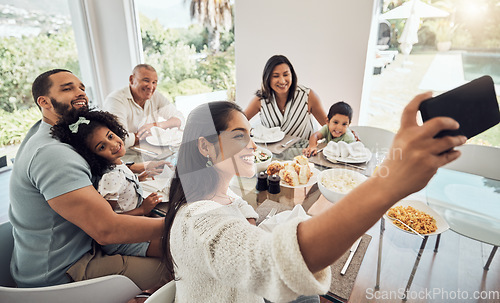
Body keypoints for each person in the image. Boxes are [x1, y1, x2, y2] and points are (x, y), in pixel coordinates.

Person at [161, 93, 466, 302]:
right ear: (205, 147)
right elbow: (274, 261)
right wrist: (391, 183)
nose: (252, 145)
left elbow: (241, 215)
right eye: (239, 136)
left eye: (250, 134)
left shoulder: (222, 195)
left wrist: (255, 220)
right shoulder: (198, 223)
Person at [9, 69, 168, 292]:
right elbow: (107, 231)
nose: (80, 93)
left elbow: (90, 171)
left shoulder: (51, 131)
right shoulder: (52, 153)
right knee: (177, 267)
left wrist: (137, 169)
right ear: (44, 101)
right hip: (62, 271)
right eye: (68, 88)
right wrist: (178, 224)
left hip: (77, 247)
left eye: (82, 87)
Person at [51, 109, 167, 257]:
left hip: (137, 223)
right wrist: (142, 210)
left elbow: (123, 186)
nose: (113, 144)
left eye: (110, 136)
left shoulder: (118, 164)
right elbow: (112, 218)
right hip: (123, 240)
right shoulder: (110, 177)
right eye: (102, 147)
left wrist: (139, 178)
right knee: (174, 247)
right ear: (93, 156)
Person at [244, 55, 328, 140]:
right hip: (271, 152)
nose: (282, 81)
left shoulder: (308, 96)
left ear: (292, 75)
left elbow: (329, 127)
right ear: (268, 78)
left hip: (303, 151)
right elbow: (240, 122)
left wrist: (315, 140)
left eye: (285, 75)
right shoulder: (260, 99)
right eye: (276, 76)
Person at [104, 64, 185, 148]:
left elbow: (180, 119)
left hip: (151, 152)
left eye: (154, 82)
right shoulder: (116, 100)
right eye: (146, 80)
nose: (151, 86)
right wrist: (151, 134)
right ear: (131, 80)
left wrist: (156, 126)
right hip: (127, 156)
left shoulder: (155, 96)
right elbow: (120, 139)